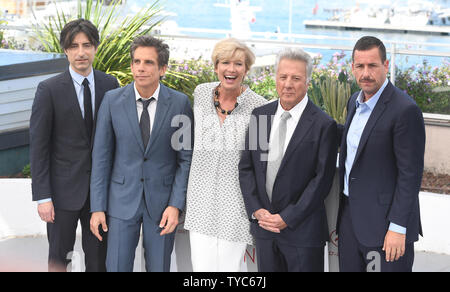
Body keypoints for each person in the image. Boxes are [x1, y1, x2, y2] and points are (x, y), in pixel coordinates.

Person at [89, 36, 193, 272]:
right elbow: (101, 158)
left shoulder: (179, 104)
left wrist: (176, 205)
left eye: (148, 62)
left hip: (163, 206)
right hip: (120, 202)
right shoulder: (112, 101)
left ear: (162, 69)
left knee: (159, 268)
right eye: (136, 61)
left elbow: (185, 160)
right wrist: (97, 207)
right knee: (116, 267)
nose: (140, 68)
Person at [29, 18, 119, 272]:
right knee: (60, 259)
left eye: (87, 45)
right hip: (61, 195)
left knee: (99, 260)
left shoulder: (109, 85)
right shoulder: (48, 90)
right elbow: (39, 147)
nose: (81, 52)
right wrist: (43, 197)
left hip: (100, 196)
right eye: (74, 46)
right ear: (66, 50)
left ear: (96, 48)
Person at [238, 48, 338, 272]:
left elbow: (321, 182)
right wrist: (256, 210)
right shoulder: (260, 116)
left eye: (296, 78)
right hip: (264, 230)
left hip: (302, 234)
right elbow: (246, 168)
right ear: (276, 79)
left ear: (308, 81)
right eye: (283, 77)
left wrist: (287, 217)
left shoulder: (324, 125)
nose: (288, 84)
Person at [336, 36, 425, 272]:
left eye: (372, 66)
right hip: (350, 220)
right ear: (353, 68)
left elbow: (410, 175)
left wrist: (398, 228)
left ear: (385, 66)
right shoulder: (354, 101)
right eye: (360, 66)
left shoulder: (405, 110)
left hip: (386, 228)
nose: (365, 73)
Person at [183, 38, 268, 272]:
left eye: (238, 64)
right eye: (225, 62)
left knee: (230, 271)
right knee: (201, 271)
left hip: (236, 206)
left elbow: (260, 163)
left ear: (247, 69)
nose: (231, 69)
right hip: (200, 202)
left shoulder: (259, 107)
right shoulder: (201, 94)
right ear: (216, 66)